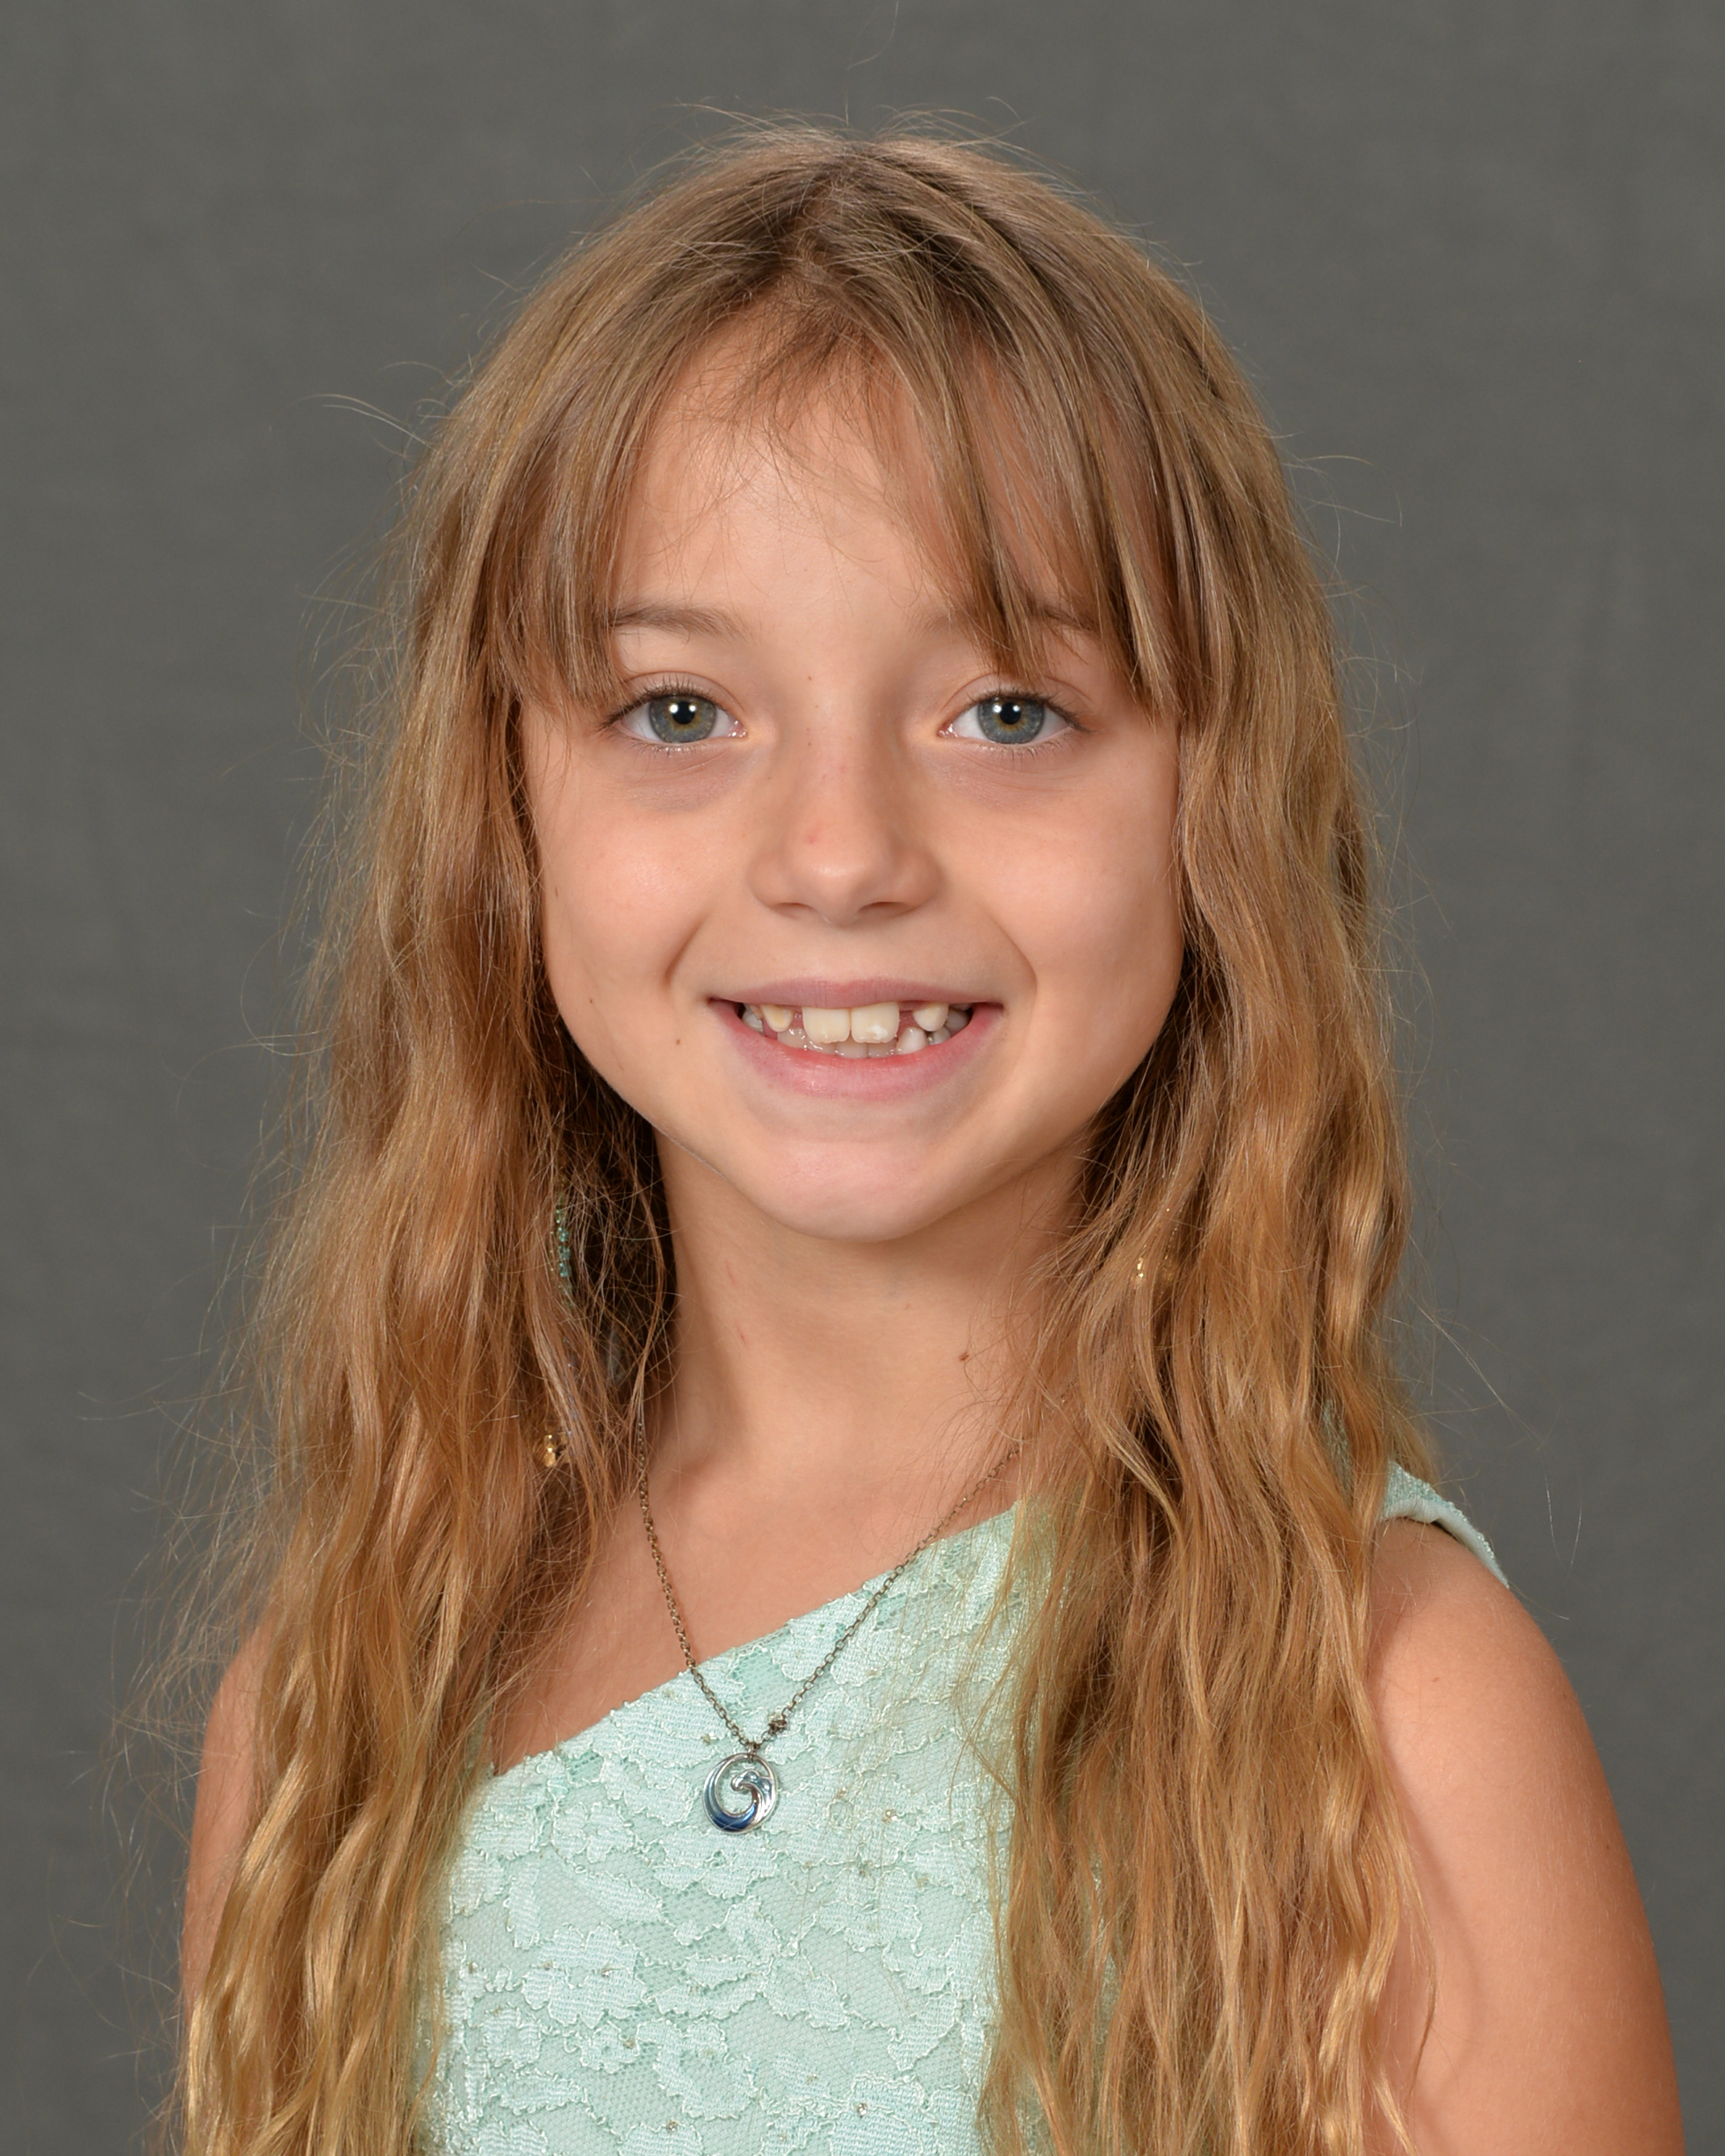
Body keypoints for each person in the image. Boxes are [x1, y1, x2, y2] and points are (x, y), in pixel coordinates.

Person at [177, 129, 1681, 2155]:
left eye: (1003, 712)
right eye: (680, 712)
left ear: (1214, 812)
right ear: (499, 817)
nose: (837, 857)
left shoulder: (1392, 1721)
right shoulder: (336, 1720)